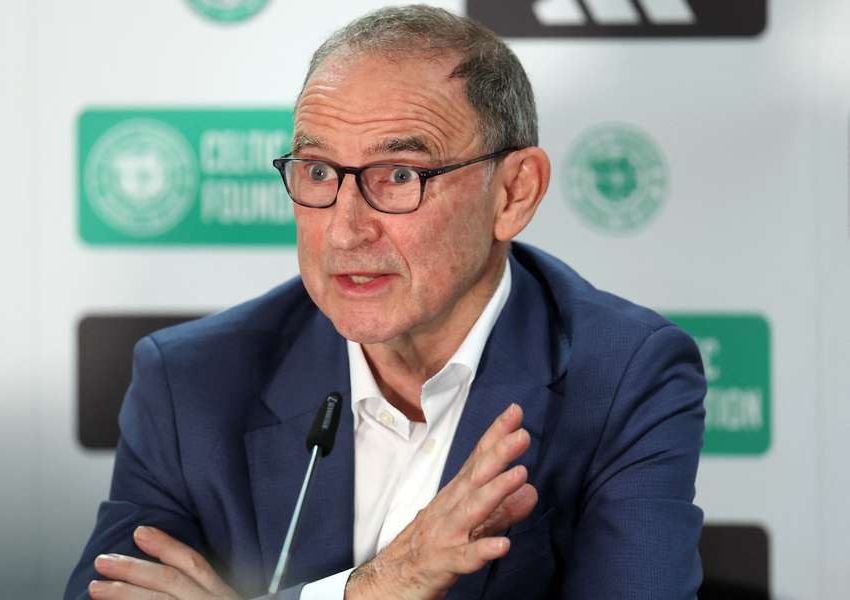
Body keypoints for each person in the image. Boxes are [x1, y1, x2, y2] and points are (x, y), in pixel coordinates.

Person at [65, 5, 706, 599]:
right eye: (318, 172)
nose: (345, 230)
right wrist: (383, 584)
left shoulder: (623, 375)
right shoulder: (192, 380)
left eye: (399, 176)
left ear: (513, 192)